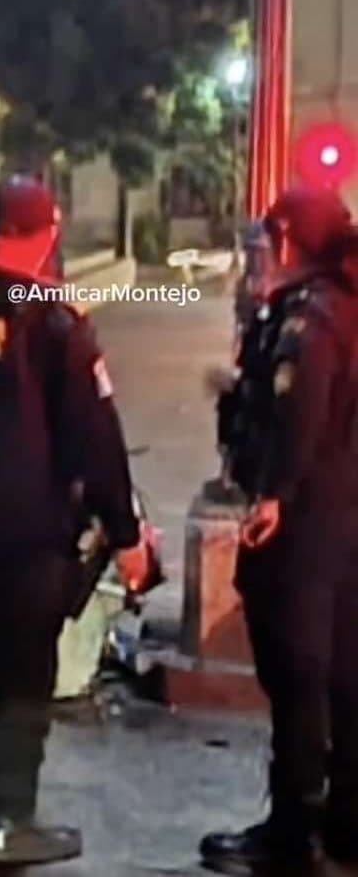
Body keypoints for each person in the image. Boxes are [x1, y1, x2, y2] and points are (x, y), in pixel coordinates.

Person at [0, 174, 149, 867]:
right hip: (28, 532)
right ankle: (14, 820)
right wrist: (124, 535)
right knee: (20, 675)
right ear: (47, 235)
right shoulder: (52, 320)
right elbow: (94, 436)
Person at [202, 187, 358, 874]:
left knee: (296, 672)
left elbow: (302, 411)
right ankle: (346, 822)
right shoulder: (347, 304)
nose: (259, 255)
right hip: (346, 516)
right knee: (346, 674)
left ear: (290, 241)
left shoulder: (310, 318)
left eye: (267, 242)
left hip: (307, 523)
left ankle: (293, 830)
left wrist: (272, 495)